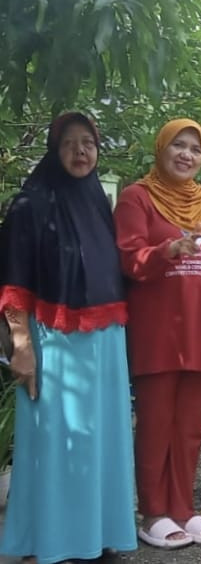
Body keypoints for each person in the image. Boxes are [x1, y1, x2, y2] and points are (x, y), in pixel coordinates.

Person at [0, 113, 137, 563]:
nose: (81, 152)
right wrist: (20, 346)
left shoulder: (98, 201)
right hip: (52, 341)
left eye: (88, 143)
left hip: (106, 342)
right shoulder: (30, 205)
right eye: (70, 144)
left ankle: (96, 537)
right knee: (57, 441)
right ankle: (50, 541)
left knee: (102, 440)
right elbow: (14, 283)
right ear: (53, 151)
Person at [114, 118, 201, 548]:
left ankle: (183, 509)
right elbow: (129, 260)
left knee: (189, 426)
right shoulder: (138, 198)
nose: (187, 155)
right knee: (155, 424)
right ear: (162, 147)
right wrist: (166, 250)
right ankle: (153, 512)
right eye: (179, 146)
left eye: (195, 149)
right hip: (157, 330)